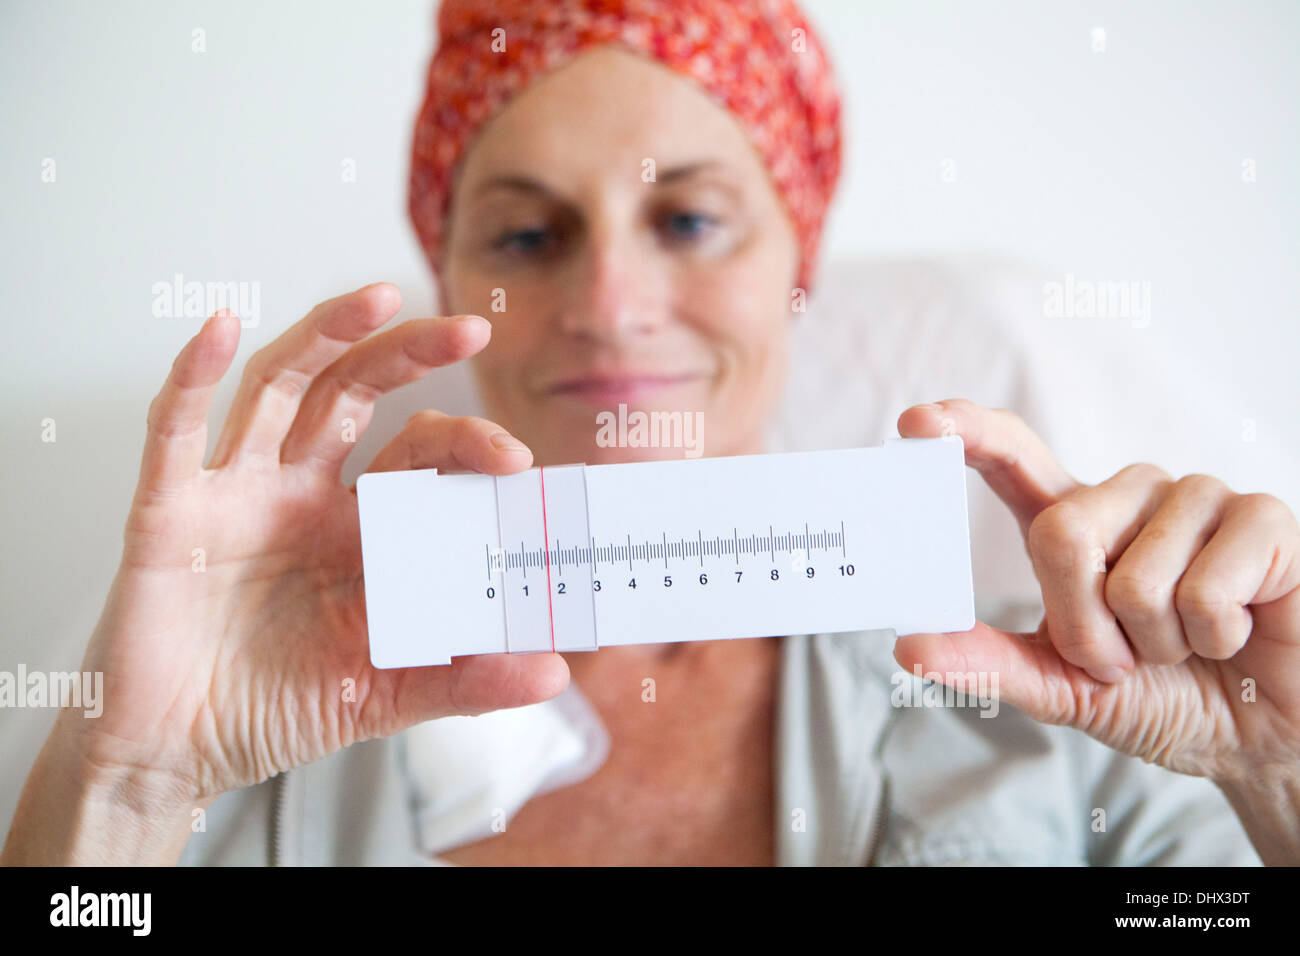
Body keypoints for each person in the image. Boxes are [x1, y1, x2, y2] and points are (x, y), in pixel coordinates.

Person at [4, 0, 1298, 866]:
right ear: (455, 281)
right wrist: (127, 789)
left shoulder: (1075, 706)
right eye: (526, 235)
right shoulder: (262, 732)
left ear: (801, 266)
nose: (610, 308)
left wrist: (1281, 782)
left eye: (688, 221)